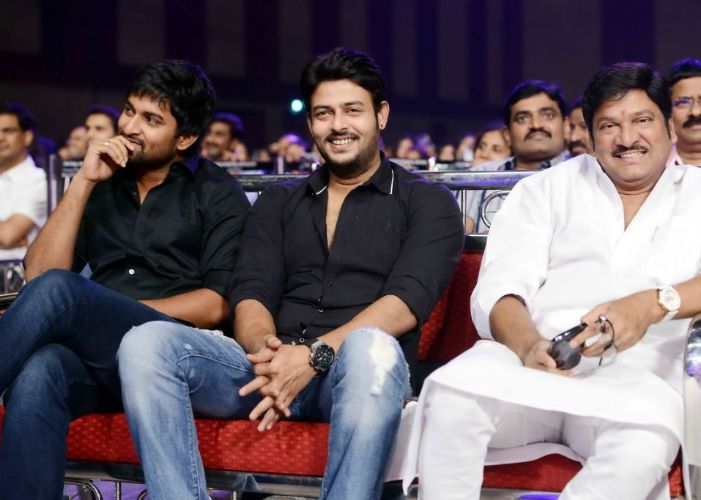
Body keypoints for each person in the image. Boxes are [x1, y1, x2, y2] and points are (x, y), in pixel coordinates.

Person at [116, 47, 464, 500]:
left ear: (381, 115)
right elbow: (251, 291)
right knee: (145, 342)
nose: (338, 125)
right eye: (324, 113)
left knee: (372, 349)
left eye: (352, 110)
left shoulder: (427, 202)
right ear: (310, 124)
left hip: (355, 374)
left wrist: (313, 356)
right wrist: (268, 353)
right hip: (266, 369)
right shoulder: (280, 201)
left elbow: (405, 302)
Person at [398, 62, 701, 499]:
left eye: (642, 120)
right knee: (452, 402)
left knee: (640, 448)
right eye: (609, 125)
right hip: (533, 364)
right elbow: (501, 287)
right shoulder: (544, 190)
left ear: (669, 126)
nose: (626, 138)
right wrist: (527, 343)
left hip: (641, 380)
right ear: (591, 133)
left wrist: (651, 304)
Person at [0, 60, 250, 499]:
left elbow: (217, 303)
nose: (130, 127)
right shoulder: (103, 183)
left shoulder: (217, 194)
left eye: (151, 120)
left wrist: (110, 314)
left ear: (185, 138)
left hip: (173, 353)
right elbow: (38, 274)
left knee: (65, 294)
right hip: (99, 360)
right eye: (130, 110)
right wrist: (83, 181)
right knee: (40, 370)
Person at [463, 80, 568, 233]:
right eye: (522, 118)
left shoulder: (587, 176)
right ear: (507, 135)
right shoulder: (472, 179)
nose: (536, 125)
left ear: (566, 126)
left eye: (548, 115)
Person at [0, 102, 47, 261]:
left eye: (8, 131)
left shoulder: (38, 180)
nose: (0, 138)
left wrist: (7, 236)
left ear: (27, 137)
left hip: (14, 273)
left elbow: (8, 235)